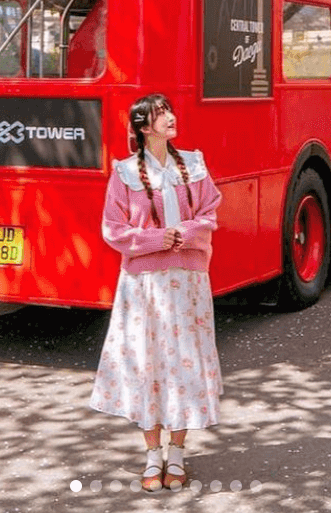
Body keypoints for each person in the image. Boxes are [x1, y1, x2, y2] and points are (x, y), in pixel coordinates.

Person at [89, 93, 223, 491]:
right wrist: (155, 239)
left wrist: (185, 235)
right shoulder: (125, 173)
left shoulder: (194, 165)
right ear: (144, 127)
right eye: (161, 114)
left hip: (188, 281)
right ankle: (152, 458)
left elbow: (210, 212)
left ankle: (177, 456)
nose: (170, 118)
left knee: (183, 362)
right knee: (148, 363)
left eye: (169, 111)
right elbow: (113, 228)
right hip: (143, 286)